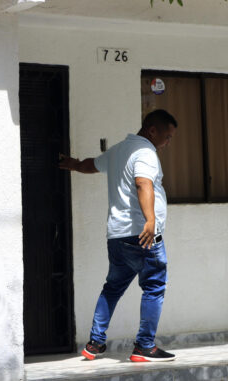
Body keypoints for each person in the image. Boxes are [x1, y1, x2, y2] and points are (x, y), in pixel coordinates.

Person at [59, 109, 178, 363]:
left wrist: (72, 164)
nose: (169, 143)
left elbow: (92, 164)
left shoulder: (118, 150)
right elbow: (143, 183)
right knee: (154, 287)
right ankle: (144, 347)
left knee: (112, 288)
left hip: (117, 236)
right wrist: (150, 220)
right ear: (152, 130)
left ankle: (94, 344)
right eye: (167, 137)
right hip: (142, 235)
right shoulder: (145, 152)